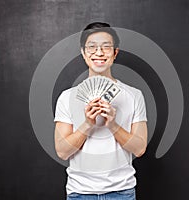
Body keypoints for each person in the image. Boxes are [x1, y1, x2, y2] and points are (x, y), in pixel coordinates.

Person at [54, 22, 148, 200]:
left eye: (106, 47)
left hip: (122, 192)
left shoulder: (134, 95)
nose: (99, 53)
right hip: (80, 193)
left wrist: (113, 125)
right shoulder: (67, 97)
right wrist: (87, 124)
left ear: (115, 53)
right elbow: (62, 151)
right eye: (92, 47)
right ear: (83, 53)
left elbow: (139, 149)